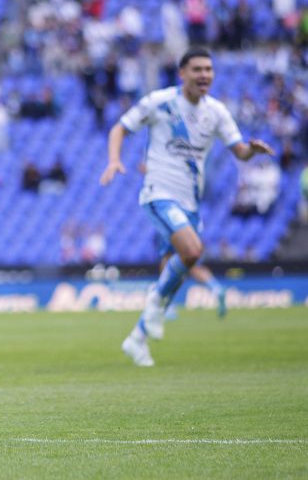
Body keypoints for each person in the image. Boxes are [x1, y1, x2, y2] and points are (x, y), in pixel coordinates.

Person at [99, 48, 274, 367]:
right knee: (192, 251)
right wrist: (114, 160)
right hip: (159, 192)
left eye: (209, 69)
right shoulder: (160, 101)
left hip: (191, 201)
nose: (205, 74)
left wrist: (252, 150)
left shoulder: (217, 112)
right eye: (197, 69)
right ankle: (154, 304)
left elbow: (238, 151)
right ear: (183, 73)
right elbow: (119, 128)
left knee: (177, 265)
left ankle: (137, 339)